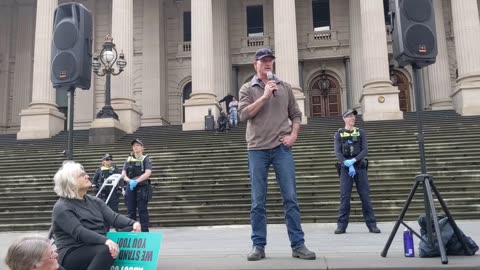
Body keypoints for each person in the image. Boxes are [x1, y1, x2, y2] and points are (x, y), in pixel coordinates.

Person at [238, 48, 316, 261]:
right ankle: (258, 246)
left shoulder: (285, 87)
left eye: (270, 60)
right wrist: (264, 97)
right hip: (257, 150)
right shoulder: (247, 88)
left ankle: (298, 245)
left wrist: (293, 135)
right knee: (258, 201)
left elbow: (296, 115)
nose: (268, 64)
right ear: (255, 64)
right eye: (263, 61)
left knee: (290, 198)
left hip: (282, 149)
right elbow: (244, 114)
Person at [51, 161, 141, 270]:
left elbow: (113, 218)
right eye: (82, 175)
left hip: (96, 245)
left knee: (131, 230)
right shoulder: (62, 207)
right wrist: (106, 241)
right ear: (71, 182)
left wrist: (133, 223)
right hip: (73, 251)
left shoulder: (94, 200)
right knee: (106, 249)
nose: (87, 176)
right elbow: (79, 232)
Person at [333, 109, 381, 234]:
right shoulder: (339, 134)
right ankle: (341, 226)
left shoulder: (360, 132)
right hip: (345, 169)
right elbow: (338, 152)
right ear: (344, 119)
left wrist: (353, 161)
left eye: (353, 116)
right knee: (345, 197)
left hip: (359, 167)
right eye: (349, 116)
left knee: (365, 197)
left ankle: (372, 225)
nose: (352, 118)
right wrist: (346, 163)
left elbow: (365, 150)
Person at [122, 138, 153, 232]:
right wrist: (129, 181)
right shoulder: (128, 159)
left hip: (142, 187)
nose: (135, 147)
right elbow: (123, 173)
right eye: (134, 145)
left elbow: (148, 173)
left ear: (142, 148)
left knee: (142, 210)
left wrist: (137, 181)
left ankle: (144, 232)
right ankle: (133, 230)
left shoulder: (146, 159)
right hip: (130, 187)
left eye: (138, 145)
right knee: (130, 211)